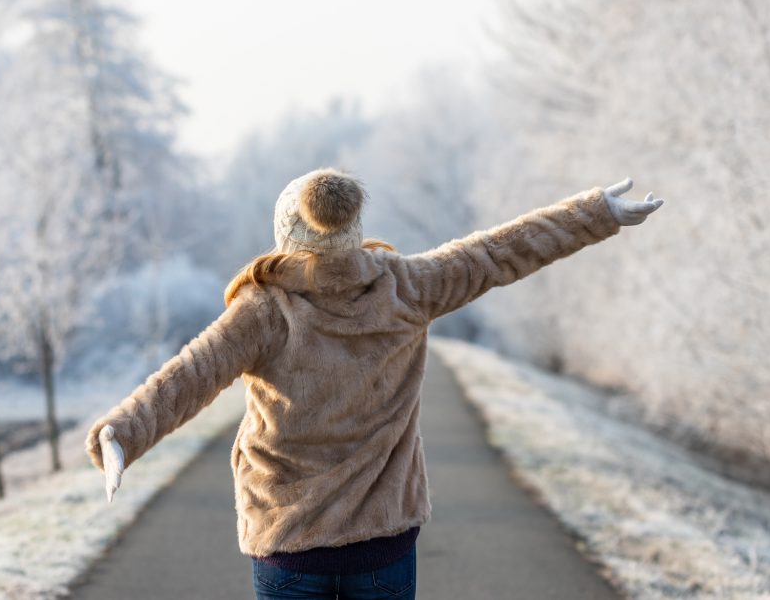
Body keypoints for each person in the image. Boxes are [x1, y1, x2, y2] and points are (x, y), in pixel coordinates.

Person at [85, 167, 664, 599]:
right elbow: (499, 252)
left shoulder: (263, 309)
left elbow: (189, 376)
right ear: (352, 228)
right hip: (383, 541)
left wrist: (122, 433)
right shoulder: (408, 286)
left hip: (287, 542)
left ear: (287, 232)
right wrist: (597, 213)